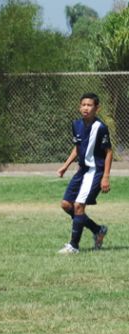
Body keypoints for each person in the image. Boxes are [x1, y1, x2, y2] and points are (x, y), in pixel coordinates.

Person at [57, 92, 112, 254]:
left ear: (97, 108)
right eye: (83, 105)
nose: (86, 108)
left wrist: (106, 177)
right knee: (66, 205)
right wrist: (65, 166)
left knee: (79, 206)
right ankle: (97, 230)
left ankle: (73, 246)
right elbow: (78, 148)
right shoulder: (76, 125)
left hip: (95, 172)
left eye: (89, 105)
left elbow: (109, 152)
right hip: (82, 171)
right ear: (79, 107)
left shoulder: (100, 127)